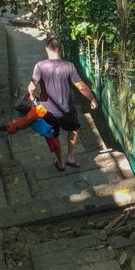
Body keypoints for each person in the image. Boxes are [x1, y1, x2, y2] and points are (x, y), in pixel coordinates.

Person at [28, 36, 98, 171]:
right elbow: (81, 87)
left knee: (53, 136)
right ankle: (71, 157)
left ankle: (60, 163)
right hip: (66, 109)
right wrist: (92, 99)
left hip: (47, 111)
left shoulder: (40, 66)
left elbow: (32, 87)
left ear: (47, 49)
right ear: (60, 49)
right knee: (73, 129)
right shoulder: (69, 66)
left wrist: (33, 98)